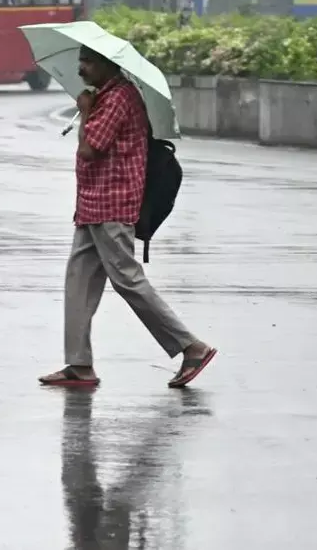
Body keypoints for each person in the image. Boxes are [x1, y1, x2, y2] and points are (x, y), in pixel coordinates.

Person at [40, 46, 216, 389]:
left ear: (108, 64)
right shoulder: (104, 96)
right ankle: (79, 364)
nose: (81, 69)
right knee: (78, 282)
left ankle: (191, 347)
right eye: (80, 61)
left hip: (112, 204)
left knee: (127, 279)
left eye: (88, 62)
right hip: (91, 205)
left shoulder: (118, 98)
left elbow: (90, 149)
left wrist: (85, 112)